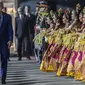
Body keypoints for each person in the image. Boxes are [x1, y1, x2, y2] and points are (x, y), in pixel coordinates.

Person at [0, 2, 13, 84]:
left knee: (4, 59)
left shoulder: (7, 17)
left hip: (4, 41)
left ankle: (3, 77)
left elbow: (10, 29)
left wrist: (10, 39)